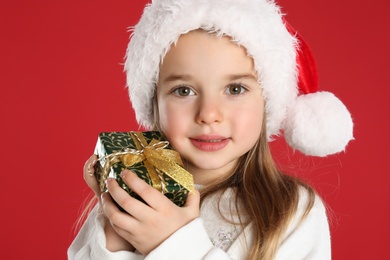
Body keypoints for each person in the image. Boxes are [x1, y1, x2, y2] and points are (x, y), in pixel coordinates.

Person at [68, 0, 353, 259]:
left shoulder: (293, 212)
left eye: (235, 88)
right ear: (153, 103)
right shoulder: (133, 197)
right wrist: (116, 231)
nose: (208, 114)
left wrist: (173, 243)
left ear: (267, 102)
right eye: (183, 90)